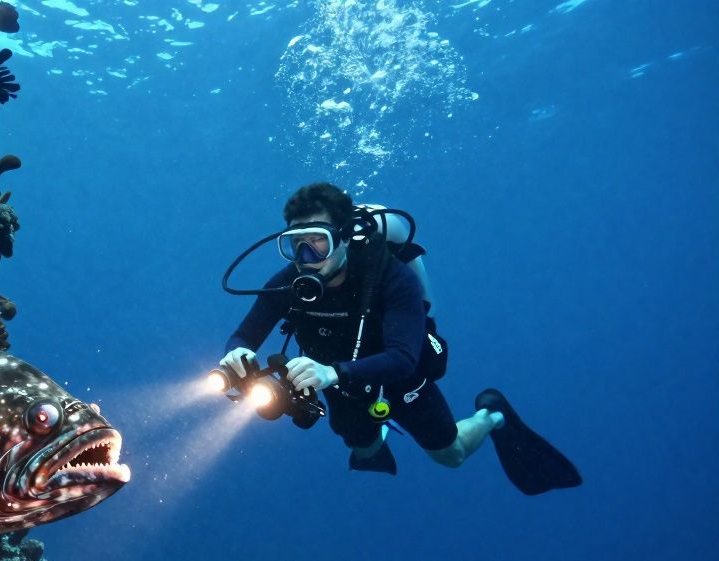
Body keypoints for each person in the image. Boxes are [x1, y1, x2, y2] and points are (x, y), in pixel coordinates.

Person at [219, 182, 580, 493]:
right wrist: (236, 354)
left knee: (450, 456)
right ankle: (377, 426)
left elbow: (403, 357)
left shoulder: (391, 278)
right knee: (364, 449)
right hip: (340, 378)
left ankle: (492, 415)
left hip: (399, 374)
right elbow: (244, 334)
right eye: (296, 244)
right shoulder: (287, 283)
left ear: (344, 238)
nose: (306, 257)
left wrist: (332, 374)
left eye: (319, 243)